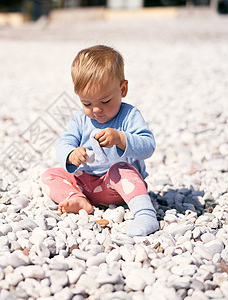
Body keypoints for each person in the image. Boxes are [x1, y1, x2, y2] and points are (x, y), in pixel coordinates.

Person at [41, 45, 159, 237]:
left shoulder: (129, 115)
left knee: (121, 169)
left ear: (123, 89)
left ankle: (145, 214)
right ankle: (78, 199)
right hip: (86, 183)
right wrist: (72, 154)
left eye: (105, 102)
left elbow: (148, 146)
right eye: (87, 103)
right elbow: (64, 142)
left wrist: (121, 139)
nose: (96, 110)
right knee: (50, 175)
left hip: (117, 187)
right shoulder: (80, 120)